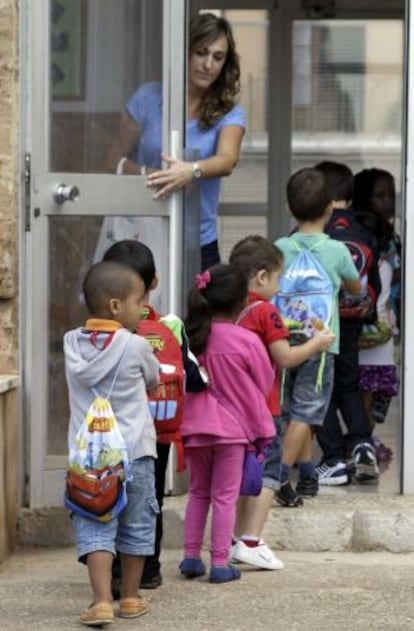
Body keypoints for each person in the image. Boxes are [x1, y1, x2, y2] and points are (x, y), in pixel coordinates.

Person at [103, 240, 206, 595]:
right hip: (155, 433)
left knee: (108, 495)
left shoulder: (96, 332)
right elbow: (194, 378)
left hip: (106, 434)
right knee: (150, 501)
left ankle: (113, 570)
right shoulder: (172, 327)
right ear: (155, 282)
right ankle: (148, 569)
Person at [108, 12, 246, 271]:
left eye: (218, 57)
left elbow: (227, 160)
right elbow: (112, 160)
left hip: (198, 239)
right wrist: (145, 173)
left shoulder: (230, 111)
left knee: (199, 311)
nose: (208, 65)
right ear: (185, 51)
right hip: (140, 233)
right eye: (201, 52)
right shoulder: (148, 97)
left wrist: (191, 171)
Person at [64, 261, 160, 626]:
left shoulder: (71, 343)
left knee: (95, 522)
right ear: (116, 307)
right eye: (139, 301)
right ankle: (131, 598)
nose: (144, 309)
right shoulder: (135, 345)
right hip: (135, 451)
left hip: (89, 457)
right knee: (136, 523)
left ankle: (101, 601)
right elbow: (152, 379)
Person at [228, 235, 335, 565]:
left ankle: (234, 537)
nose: (280, 286)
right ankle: (251, 539)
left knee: (239, 474)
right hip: (263, 409)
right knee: (268, 473)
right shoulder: (266, 312)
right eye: (278, 278)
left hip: (233, 409)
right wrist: (318, 344)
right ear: (262, 277)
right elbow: (285, 358)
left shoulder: (228, 308)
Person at [179, 264, 276, 583]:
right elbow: (265, 381)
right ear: (240, 304)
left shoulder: (191, 338)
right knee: (225, 496)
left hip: (195, 429)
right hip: (233, 433)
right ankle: (220, 562)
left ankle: (190, 557)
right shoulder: (246, 340)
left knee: (198, 492)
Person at [275, 167, 362, 506]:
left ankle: (307, 471)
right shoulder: (337, 251)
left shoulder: (280, 246)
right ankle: (279, 475)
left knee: (293, 410)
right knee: (307, 412)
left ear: (288, 209)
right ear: (330, 208)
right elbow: (355, 286)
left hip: (282, 342)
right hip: (321, 345)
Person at [314, 161, 381, 486]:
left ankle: (333, 458)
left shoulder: (314, 232)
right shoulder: (366, 231)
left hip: (320, 326)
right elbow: (375, 284)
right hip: (352, 321)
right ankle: (362, 442)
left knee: (320, 388)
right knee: (349, 384)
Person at [353, 168, 402, 427]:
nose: (388, 202)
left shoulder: (391, 237)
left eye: (391, 195)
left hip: (386, 326)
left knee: (372, 391)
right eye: (380, 196)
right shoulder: (363, 237)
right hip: (366, 327)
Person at [354, 210, 398, 464]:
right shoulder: (386, 267)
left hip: (360, 340)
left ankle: (359, 441)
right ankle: (366, 440)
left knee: (357, 397)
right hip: (381, 341)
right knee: (370, 399)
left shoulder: (357, 264)